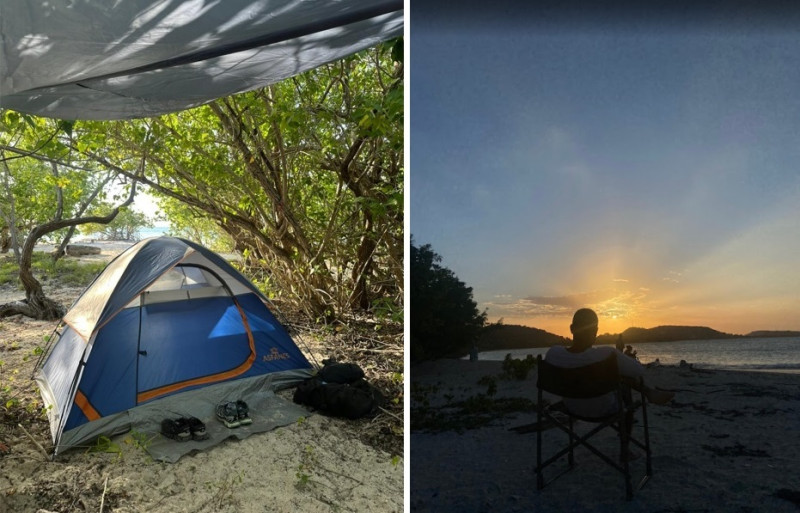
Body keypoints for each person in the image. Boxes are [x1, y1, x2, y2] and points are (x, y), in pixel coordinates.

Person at [545, 308, 674, 459]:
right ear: (596, 330)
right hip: (604, 409)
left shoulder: (553, 353)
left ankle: (650, 392)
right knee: (623, 385)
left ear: (572, 329)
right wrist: (621, 355)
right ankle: (625, 450)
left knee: (611, 377)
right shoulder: (606, 354)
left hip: (571, 407)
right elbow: (639, 371)